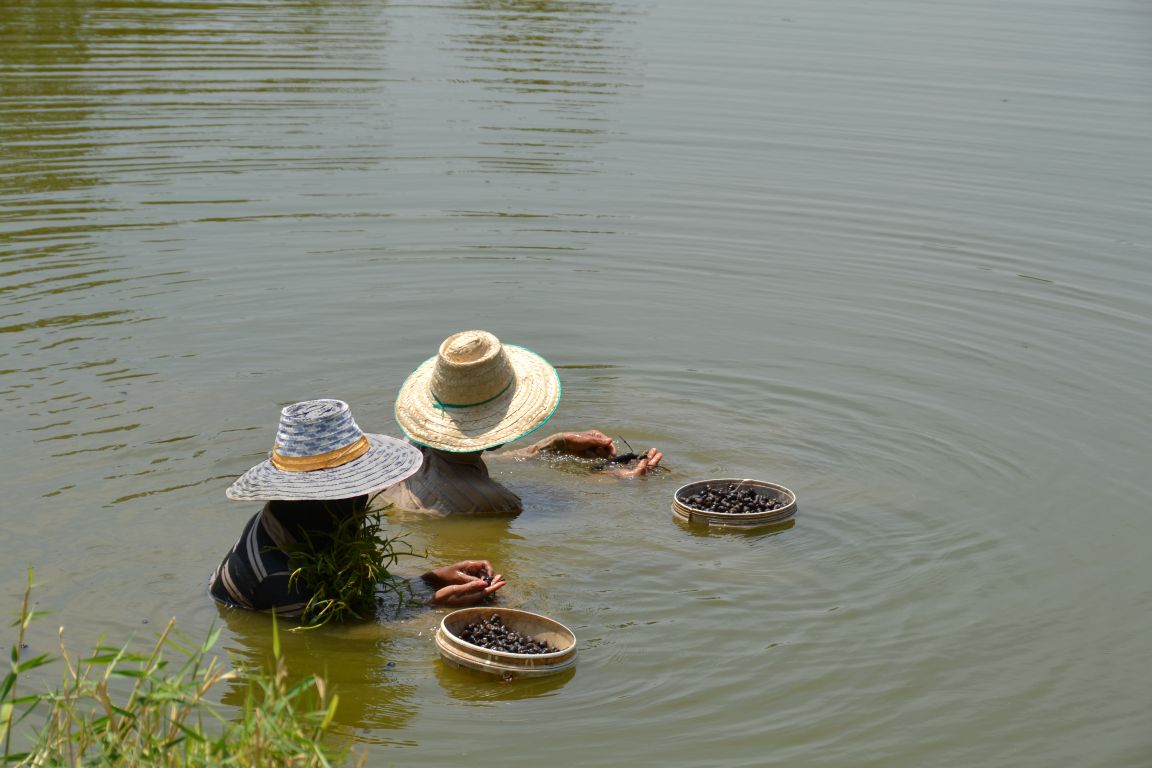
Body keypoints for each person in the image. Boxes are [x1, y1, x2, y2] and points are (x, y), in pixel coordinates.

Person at [210, 398, 506, 620]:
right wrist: (432, 606)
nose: (362, 503)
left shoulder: (303, 523)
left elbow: (360, 592)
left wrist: (432, 580)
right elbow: (343, 636)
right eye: (354, 494)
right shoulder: (280, 582)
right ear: (318, 500)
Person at [376, 330, 664, 517]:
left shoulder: (405, 449)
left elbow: (471, 464)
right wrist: (620, 481)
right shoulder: (496, 503)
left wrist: (553, 445)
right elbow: (544, 507)